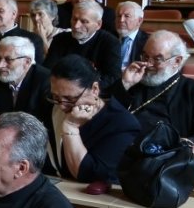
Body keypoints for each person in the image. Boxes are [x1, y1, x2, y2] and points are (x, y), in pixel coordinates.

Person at [113, 29, 194, 152]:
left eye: (157, 59)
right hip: (119, 148)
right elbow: (103, 114)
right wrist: (125, 84)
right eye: (145, 56)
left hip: (163, 158)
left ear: (177, 61)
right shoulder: (133, 82)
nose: (148, 64)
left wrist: (188, 143)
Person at [47, 55, 140, 184]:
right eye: (56, 97)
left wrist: (71, 127)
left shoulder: (122, 123)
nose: (62, 106)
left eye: (70, 99)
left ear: (95, 89)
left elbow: (87, 175)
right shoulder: (52, 108)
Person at [44, 0, 122, 92]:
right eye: (74, 19)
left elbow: (112, 78)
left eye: (84, 21)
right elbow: (48, 71)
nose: (76, 26)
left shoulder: (110, 42)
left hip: (91, 94)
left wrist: (81, 91)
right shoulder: (60, 39)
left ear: (98, 24)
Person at [0, 36, 52, 133]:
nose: (1, 65)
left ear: (27, 62)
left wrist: (2, 123)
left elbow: (43, 123)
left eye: (8, 59)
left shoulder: (45, 81)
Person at [114, 1, 148, 70]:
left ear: (139, 21)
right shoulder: (108, 37)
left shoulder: (147, 41)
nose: (121, 20)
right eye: (119, 16)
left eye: (127, 16)